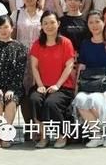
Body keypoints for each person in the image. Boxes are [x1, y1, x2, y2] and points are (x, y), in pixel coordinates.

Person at [72, 10, 106, 148]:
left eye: (97, 21)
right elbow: (81, 67)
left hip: (105, 84)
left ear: (103, 22)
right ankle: (97, 135)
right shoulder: (85, 44)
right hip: (88, 84)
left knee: (96, 100)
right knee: (80, 100)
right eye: (91, 22)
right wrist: (76, 88)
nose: (94, 25)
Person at [29, 11, 76, 149]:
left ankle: (62, 135)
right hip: (42, 85)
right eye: (45, 23)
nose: (49, 26)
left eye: (52, 22)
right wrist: (40, 85)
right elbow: (34, 67)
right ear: (41, 26)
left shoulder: (66, 43)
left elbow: (69, 66)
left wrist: (57, 85)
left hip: (63, 87)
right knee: (34, 99)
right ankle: (43, 136)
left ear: (58, 24)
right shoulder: (37, 44)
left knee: (51, 102)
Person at [0, 14, 28, 148]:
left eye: (5, 27)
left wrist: (12, 89)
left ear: (12, 28)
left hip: (13, 87)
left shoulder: (20, 47)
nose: (3, 30)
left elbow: (20, 71)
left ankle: (6, 135)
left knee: (11, 101)